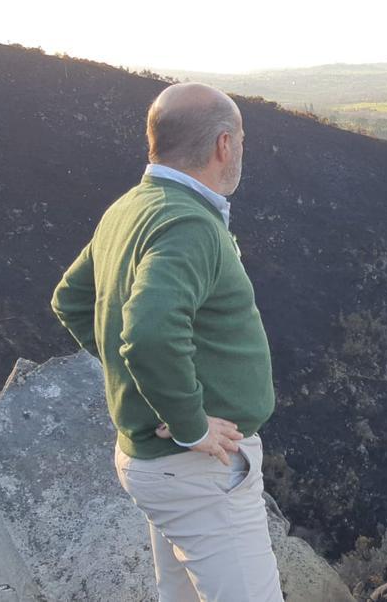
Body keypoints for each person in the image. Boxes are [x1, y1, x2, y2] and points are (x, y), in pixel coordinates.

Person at [52, 82, 282, 601]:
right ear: (225, 144)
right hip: (198, 470)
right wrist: (189, 422)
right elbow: (150, 331)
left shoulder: (131, 207)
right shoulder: (187, 224)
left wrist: (150, 391)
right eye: (242, 139)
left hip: (161, 462)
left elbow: (71, 300)